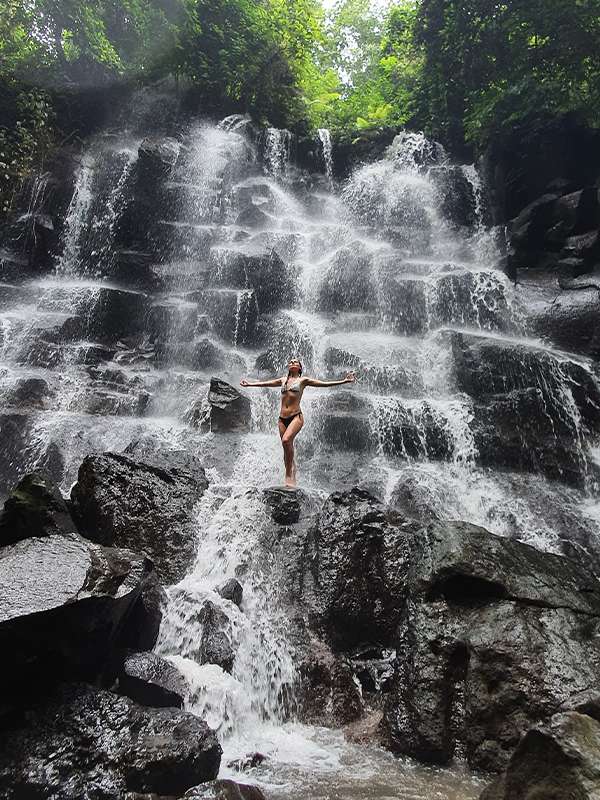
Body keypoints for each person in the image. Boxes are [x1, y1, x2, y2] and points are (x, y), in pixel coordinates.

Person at [240, 358, 356, 487]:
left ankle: (288, 475)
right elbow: (266, 383)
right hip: (282, 419)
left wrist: (344, 381)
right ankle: (292, 471)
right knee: (286, 448)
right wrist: (249, 384)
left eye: (295, 362)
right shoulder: (283, 380)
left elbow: (324, 383)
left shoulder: (303, 381)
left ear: (300, 368)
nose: (292, 363)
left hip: (296, 417)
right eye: (290, 361)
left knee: (286, 440)